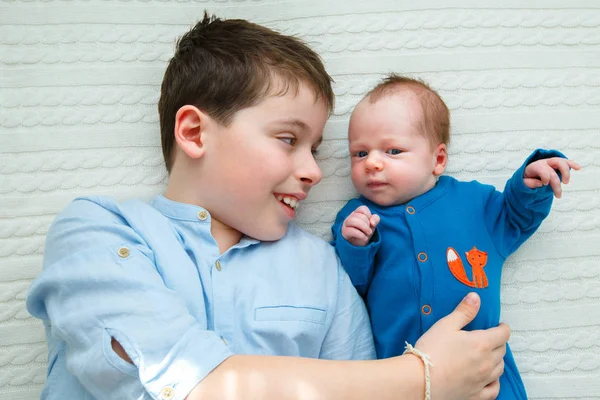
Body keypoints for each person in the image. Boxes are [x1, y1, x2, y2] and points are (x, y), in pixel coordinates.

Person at [26, 14, 510, 400]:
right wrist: (423, 379)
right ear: (195, 133)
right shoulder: (98, 231)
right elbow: (187, 382)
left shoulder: (320, 265)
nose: (315, 171)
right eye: (288, 139)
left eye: (316, 150)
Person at [332, 74, 581, 400]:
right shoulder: (356, 218)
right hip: (403, 382)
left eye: (393, 150)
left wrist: (530, 184)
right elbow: (350, 285)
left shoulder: (474, 204)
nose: (373, 163)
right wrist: (355, 245)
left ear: (438, 159)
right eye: (360, 153)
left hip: (486, 376)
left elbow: (516, 217)